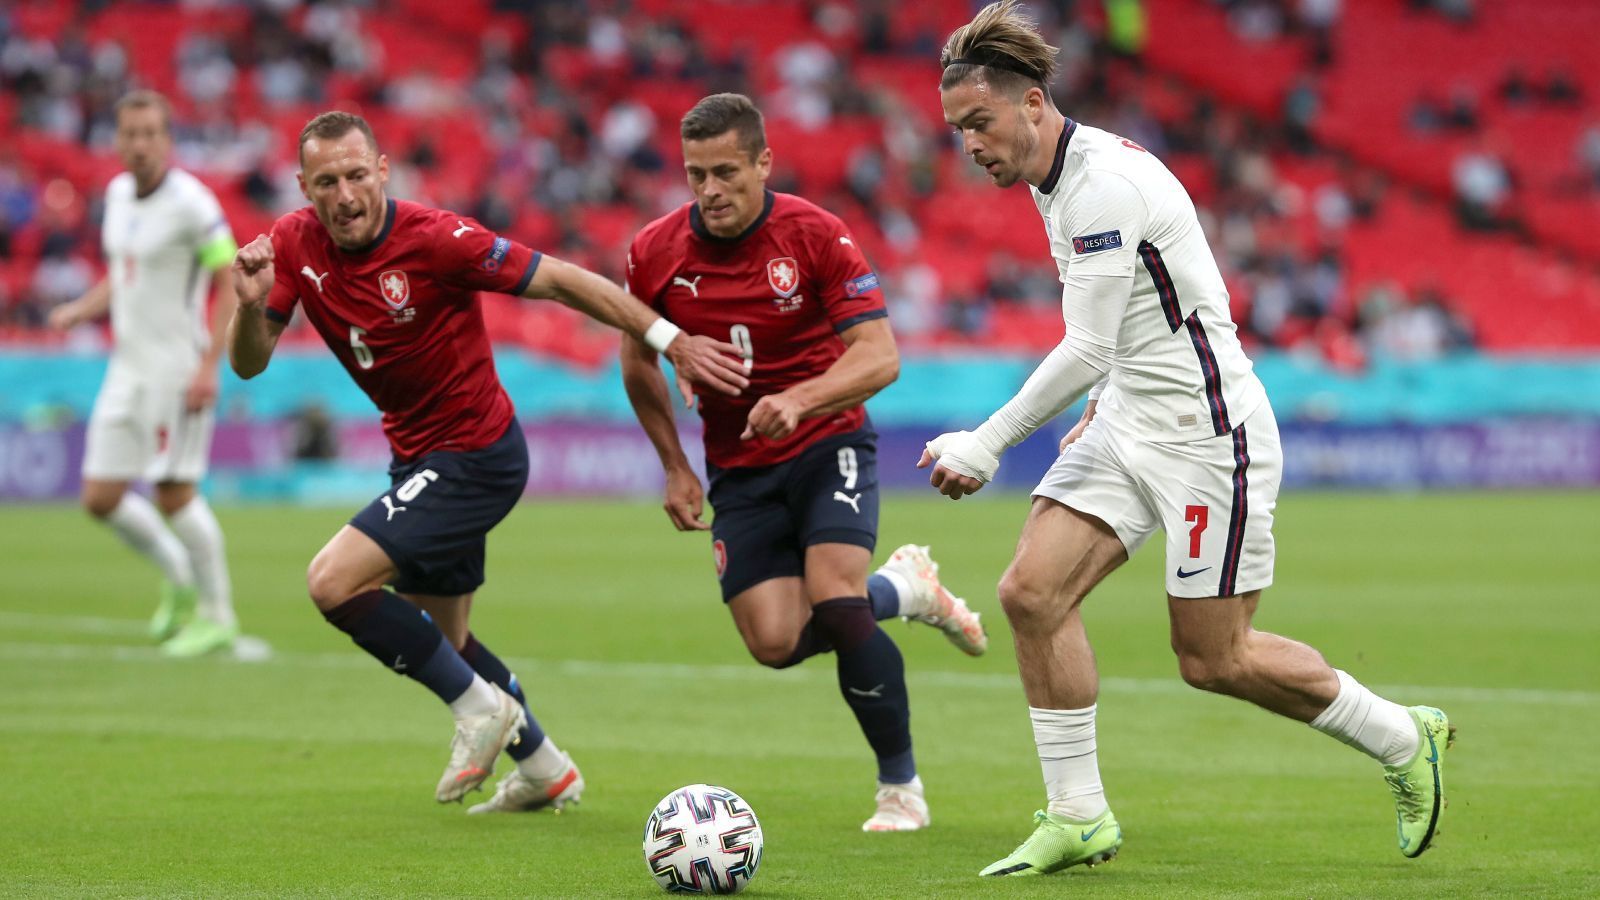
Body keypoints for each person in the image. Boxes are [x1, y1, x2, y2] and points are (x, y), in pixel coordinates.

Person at [920, 1, 1455, 876]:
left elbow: (1087, 343)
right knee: (1030, 593)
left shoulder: (1100, 186)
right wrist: (1101, 406)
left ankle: (1403, 736)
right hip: (1129, 417)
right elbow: (1125, 329)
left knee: (1215, 659)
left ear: (1030, 104)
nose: (969, 144)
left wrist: (989, 443)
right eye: (955, 129)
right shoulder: (1055, 178)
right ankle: (1078, 815)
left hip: (1210, 438)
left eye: (977, 122)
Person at [228, 111, 750, 811]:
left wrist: (669, 337)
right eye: (327, 182)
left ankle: (481, 711)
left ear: (382, 170)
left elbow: (563, 281)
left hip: (476, 454)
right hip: (415, 462)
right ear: (304, 186)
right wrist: (248, 308)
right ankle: (543, 766)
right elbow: (250, 365)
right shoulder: (292, 243)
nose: (345, 194)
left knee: (333, 583)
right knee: (446, 640)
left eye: (357, 175)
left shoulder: (438, 240)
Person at [620, 93, 988, 833]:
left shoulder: (815, 235)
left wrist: (801, 400)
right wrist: (673, 465)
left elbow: (880, 357)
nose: (711, 190)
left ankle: (900, 788)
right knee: (776, 642)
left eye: (727, 171)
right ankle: (907, 591)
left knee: (837, 599)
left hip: (829, 443)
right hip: (738, 467)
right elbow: (636, 361)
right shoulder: (653, 252)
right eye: (697, 175)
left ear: (763, 162)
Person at [48, 90, 242, 657]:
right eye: (129, 134)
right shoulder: (116, 194)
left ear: (167, 139)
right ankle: (179, 575)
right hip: (126, 366)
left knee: (174, 491)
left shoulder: (193, 204)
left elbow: (228, 276)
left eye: (150, 133)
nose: (139, 144)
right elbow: (124, 272)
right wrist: (83, 308)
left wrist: (211, 365)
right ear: (117, 140)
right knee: (100, 496)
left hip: (177, 367)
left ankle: (218, 614)